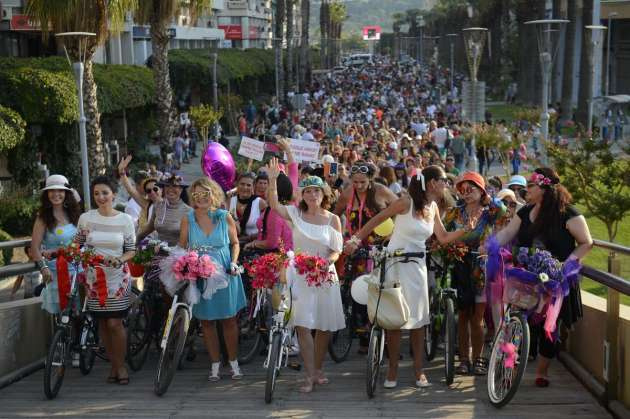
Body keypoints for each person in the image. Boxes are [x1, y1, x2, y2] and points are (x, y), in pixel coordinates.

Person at [345, 166, 472, 388]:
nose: (447, 185)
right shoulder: (405, 202)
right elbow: (378, 219)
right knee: (395, 320)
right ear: (432, 183)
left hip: (417, 267)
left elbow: (441, 237)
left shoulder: (433, 207)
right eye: (444, 180)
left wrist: (465, 229)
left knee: (419, 321)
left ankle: (418, 371)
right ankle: (392, 371)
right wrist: (355, 240)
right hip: (394, 264)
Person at [493, 168, 593, 387]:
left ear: (544, 189)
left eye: (531, 186)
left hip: (554, 279)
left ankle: (542, 371)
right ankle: (508, 369)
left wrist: (567, 265)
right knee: (515, 321)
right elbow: (508, 234)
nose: (526, 189)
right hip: (525, 276)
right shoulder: (524, 212)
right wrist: (490, 246)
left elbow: (586, 242)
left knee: (550, 326)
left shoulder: (568, 214)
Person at [266, 159, 345, 393]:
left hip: (324, 275)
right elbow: (273, 205)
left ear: (324, 194)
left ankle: (318, 369)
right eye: (308, 191)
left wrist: (325, 263)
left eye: (316, 191)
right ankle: (309, 375)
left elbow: (337, 250)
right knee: (303, 324)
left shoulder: (333, 219)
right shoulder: (295, 214)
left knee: (324, 326)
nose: (312, 195)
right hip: (300, 274)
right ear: (302, 194)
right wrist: (272, 180)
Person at [178, 177, 247, 381]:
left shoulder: (224, 216)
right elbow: (182, 246)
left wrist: (234, 262)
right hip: (200, 274)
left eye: (205, 193)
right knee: (206, 322)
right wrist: (184, 263)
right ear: (193, 197)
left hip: (225, 272)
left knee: (229, 320)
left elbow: (235, 243)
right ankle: (215, 365)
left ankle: (234, 363)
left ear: (213, 194)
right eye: (197, 194)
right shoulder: (187, 219)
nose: (201, 198)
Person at [444, 172, 506, 376]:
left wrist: (489, 198)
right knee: (462, 314)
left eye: (472, 189)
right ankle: (463, 358)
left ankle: (479, 357)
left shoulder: (489, 211)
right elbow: (443, 235)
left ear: (481, 191)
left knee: (477, 316)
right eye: (462, 189)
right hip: (459, 265)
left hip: (481, 266)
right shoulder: (454, 212)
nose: (467, 193)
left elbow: (503, 210)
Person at [77, 176, 136, 385]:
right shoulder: (85, 218)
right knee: (102, 322)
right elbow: (78, 245)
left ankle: (121, 366)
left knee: (115, 322)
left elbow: (131, 250)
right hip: (94, 278)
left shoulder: (125, 220)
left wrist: (119, 259)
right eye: (96, 193)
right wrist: (79, 256)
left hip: (118, 277)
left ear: (113, 194)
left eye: (105, 193)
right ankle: (113, 365)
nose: (101, 197)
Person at [334, 161, 398, 352]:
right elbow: (335, 215)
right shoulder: (347, 193)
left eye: (362, 182)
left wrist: (391, 233)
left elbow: (401, 210)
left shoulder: (382, 191)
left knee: (379, 290)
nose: (359, 186)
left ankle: (384, 337)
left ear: (370, 179)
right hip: (354, 246)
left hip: (378, 246)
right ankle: (363, 335)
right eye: (355, 182)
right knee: (356, 289)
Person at [30, 175, 82, 315]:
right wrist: (43, 268)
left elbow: (82, 241)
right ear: (47, 194)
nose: (56, 194)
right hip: (55, 274)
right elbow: (34, 247)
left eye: (60, 190)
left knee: (79, 316)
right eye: (51, 190)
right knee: (61, 318)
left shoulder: (75, 214)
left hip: (78, 270)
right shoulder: (43, 217)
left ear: (66, 193)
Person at [137, 173, 190, 247]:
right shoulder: (158, 206)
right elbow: (149, 228)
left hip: (178, 255)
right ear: (164, 188)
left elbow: (191, 239)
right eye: (167, 186)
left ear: (181, 189)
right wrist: (135, 240)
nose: (170, 189)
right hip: (158, 253)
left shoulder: (189, 211)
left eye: (174, 186)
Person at [118, 155, 163, 233]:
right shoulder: (147, 205)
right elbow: (131, 190)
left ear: (161, 189)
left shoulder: (170, 203)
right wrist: (122, 173)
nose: (152, 192)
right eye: (148, 191)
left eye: (155, 189)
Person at [228, 172, 266, 245]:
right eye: (242, 184)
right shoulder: (230, 201)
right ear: (237, 185)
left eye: (248, 185)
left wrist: (245, 239)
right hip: (232, 244)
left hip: (253, 245)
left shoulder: (260, 203)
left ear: (253, 187)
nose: (245, 187)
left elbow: (266, 230)